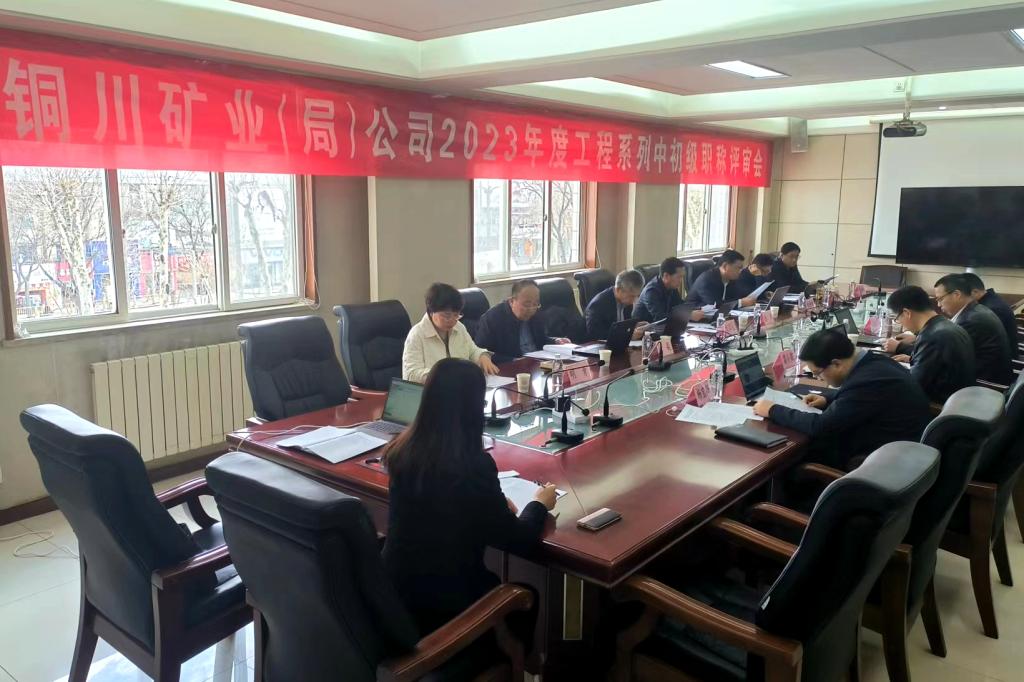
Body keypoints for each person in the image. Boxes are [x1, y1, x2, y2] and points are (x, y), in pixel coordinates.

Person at [383, 358, 557, 633]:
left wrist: (491, 505)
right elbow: (518, 541)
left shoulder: (402, 451)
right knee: (528, 595)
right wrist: (539, 504)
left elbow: (446, 509)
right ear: (473, 409)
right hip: (446, 612)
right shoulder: (472, 466)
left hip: (393, 598)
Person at [753, 329, 931, 469]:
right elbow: (863, 397)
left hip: (883, 460)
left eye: (818, 373)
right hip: (903, 447)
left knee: (791, 457)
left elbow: (821, 426)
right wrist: (827, 398)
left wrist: (772, 409)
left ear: (836, 363)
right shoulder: (875, 362)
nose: (819, 378)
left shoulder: (865, 382)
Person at [884, 285, 975, 403]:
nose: (900, 323)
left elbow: (913, 385)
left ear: (906, 313)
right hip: (960, 399)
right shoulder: (946, 325)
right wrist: (913, 359)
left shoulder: (932, 336)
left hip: (939, 407)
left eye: (897, 319)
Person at [402, 282, 499, 383]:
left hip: (459, 386)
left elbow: (472, 350)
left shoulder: (459, 327)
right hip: (432, 389)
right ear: (431, 311)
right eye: (447, 316)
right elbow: (411, 375)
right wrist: (442, 375)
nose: (452, 320)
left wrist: (482, 356)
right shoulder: (417, 335)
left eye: (456, 315)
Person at [933, 274, 1013, 386]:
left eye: (940, 299)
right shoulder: (975, 310)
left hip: (983, 385)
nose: (938, 304)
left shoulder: (970, 320)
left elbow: (947, 358)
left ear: (956, 295)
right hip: (984, 378)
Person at [474, 279, 570, 363]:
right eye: (526, 305)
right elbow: (481, 353)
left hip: (537, 364)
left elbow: (540, 340)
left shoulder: (537, 313)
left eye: (535, 304)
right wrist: (514, 360)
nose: (531, 309)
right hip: (510, 368)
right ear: (511, 301)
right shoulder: (492, 319)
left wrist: (555, 341)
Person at [962, 272, 1019, 359]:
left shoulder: (991, 309)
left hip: (1002, 361)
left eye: (963, 294)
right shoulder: (990, 301)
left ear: (975, 292)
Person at [584, 268, 649, 341]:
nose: (634, 300)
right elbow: (595, 335)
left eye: (636, 296)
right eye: (631, 296)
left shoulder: (626, 301)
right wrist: (627, 336)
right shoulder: (597, 305)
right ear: (618, 290)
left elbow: (622, 326)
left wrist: (634, 326)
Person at [685, 249, 759, 310]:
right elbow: (714, 305)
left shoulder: (732, 279)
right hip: (695, 317)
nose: (740, 271)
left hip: (718, 316)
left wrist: (757, 276)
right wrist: (741, 302)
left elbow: (739, 296)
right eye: (738, 268)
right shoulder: (707, 279)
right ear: (725, 266)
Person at [633, 257, 699, 323]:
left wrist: (697, 310)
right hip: (644, 327)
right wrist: (688, 315)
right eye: (678, 277)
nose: (681, 281)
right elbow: (660, 318)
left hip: (664, 326)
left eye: (682, 277)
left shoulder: (671, 286)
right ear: (666, 276)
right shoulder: (651, 291)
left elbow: (680, 305)